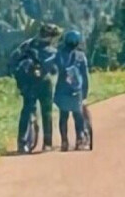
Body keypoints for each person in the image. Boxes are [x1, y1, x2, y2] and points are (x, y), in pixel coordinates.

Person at [10, 21, 60, 153]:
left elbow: (13, 59)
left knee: (27, 109)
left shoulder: (27, 45)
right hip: (44, 82)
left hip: (28, 83)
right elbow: (56, 67)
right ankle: (47, 144)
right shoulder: (52, 51)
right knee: (47, 112)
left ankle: (21, 143)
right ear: (51, 37)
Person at [54, 27, 90, 150]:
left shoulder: (58, 55)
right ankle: (79, 139)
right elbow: (85, 77)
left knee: (63, 115)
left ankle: (64, 141)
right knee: (78, 115)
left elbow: (54, 69)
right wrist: (85, 92)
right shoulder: (81, 56)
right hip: (76, 89)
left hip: (62, 89)